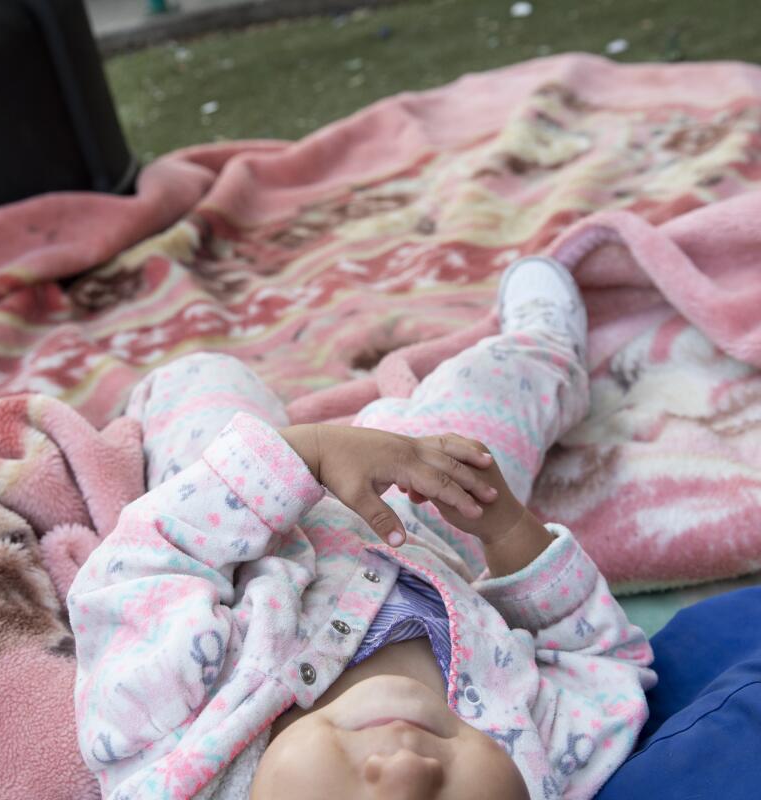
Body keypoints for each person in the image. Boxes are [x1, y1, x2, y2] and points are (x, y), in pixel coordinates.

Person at [67, 257, 656, 799]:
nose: (406, 770)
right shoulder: (550, 763)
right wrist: (504, 527)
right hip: (428, 523)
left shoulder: (168, 752)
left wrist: (311, 451)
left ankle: (182, 405)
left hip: (236, 530)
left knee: (200, 380)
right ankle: (545, 345)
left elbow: (144, 569)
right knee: (497, 399)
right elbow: (603, 662)